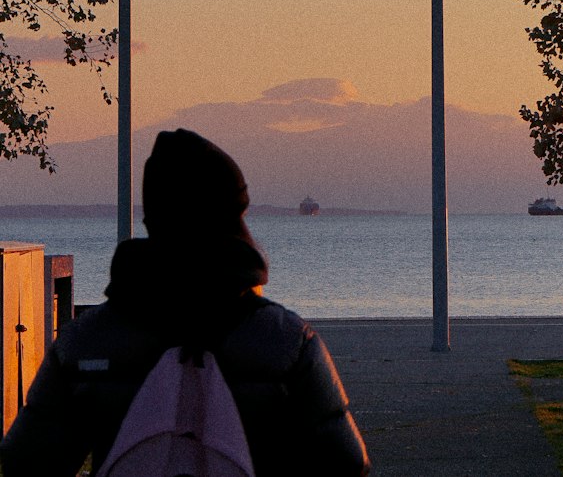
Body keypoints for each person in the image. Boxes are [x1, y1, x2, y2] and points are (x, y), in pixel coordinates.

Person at [0, 128, 370, 476]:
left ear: (153, 218)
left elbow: (26, 463)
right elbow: (346, 463)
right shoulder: (286, 341)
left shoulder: (84, 341)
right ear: (230, 218)